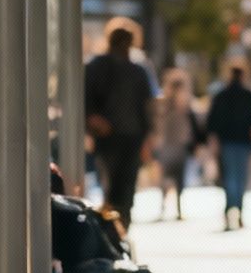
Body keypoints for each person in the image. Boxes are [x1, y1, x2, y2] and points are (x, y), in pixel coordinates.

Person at [83, 18, 156, 231]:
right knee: (124, 185)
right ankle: (121, 226)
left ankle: (115, 227)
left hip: (113, 135)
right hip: (128, 134)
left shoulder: (97, 65)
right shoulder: (137, 70)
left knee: (111, 184)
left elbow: (86, 100)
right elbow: (147, 108)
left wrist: (93, 121)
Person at [205, 64, 251, 231]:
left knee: (230, 177)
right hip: (243, 142)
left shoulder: (222, 95)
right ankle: (238, 210)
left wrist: (214, 141)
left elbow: (212, 121)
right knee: (241, 178)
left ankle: (230, 209)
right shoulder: (248, 96)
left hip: (228, 141)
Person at [151, 69, 202, 221]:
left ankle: (170, 208)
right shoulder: (175, 102)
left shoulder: (175, 102)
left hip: (173, 144)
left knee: (171, 178)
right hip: (172, 144)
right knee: (172, 178)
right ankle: (169, 208)